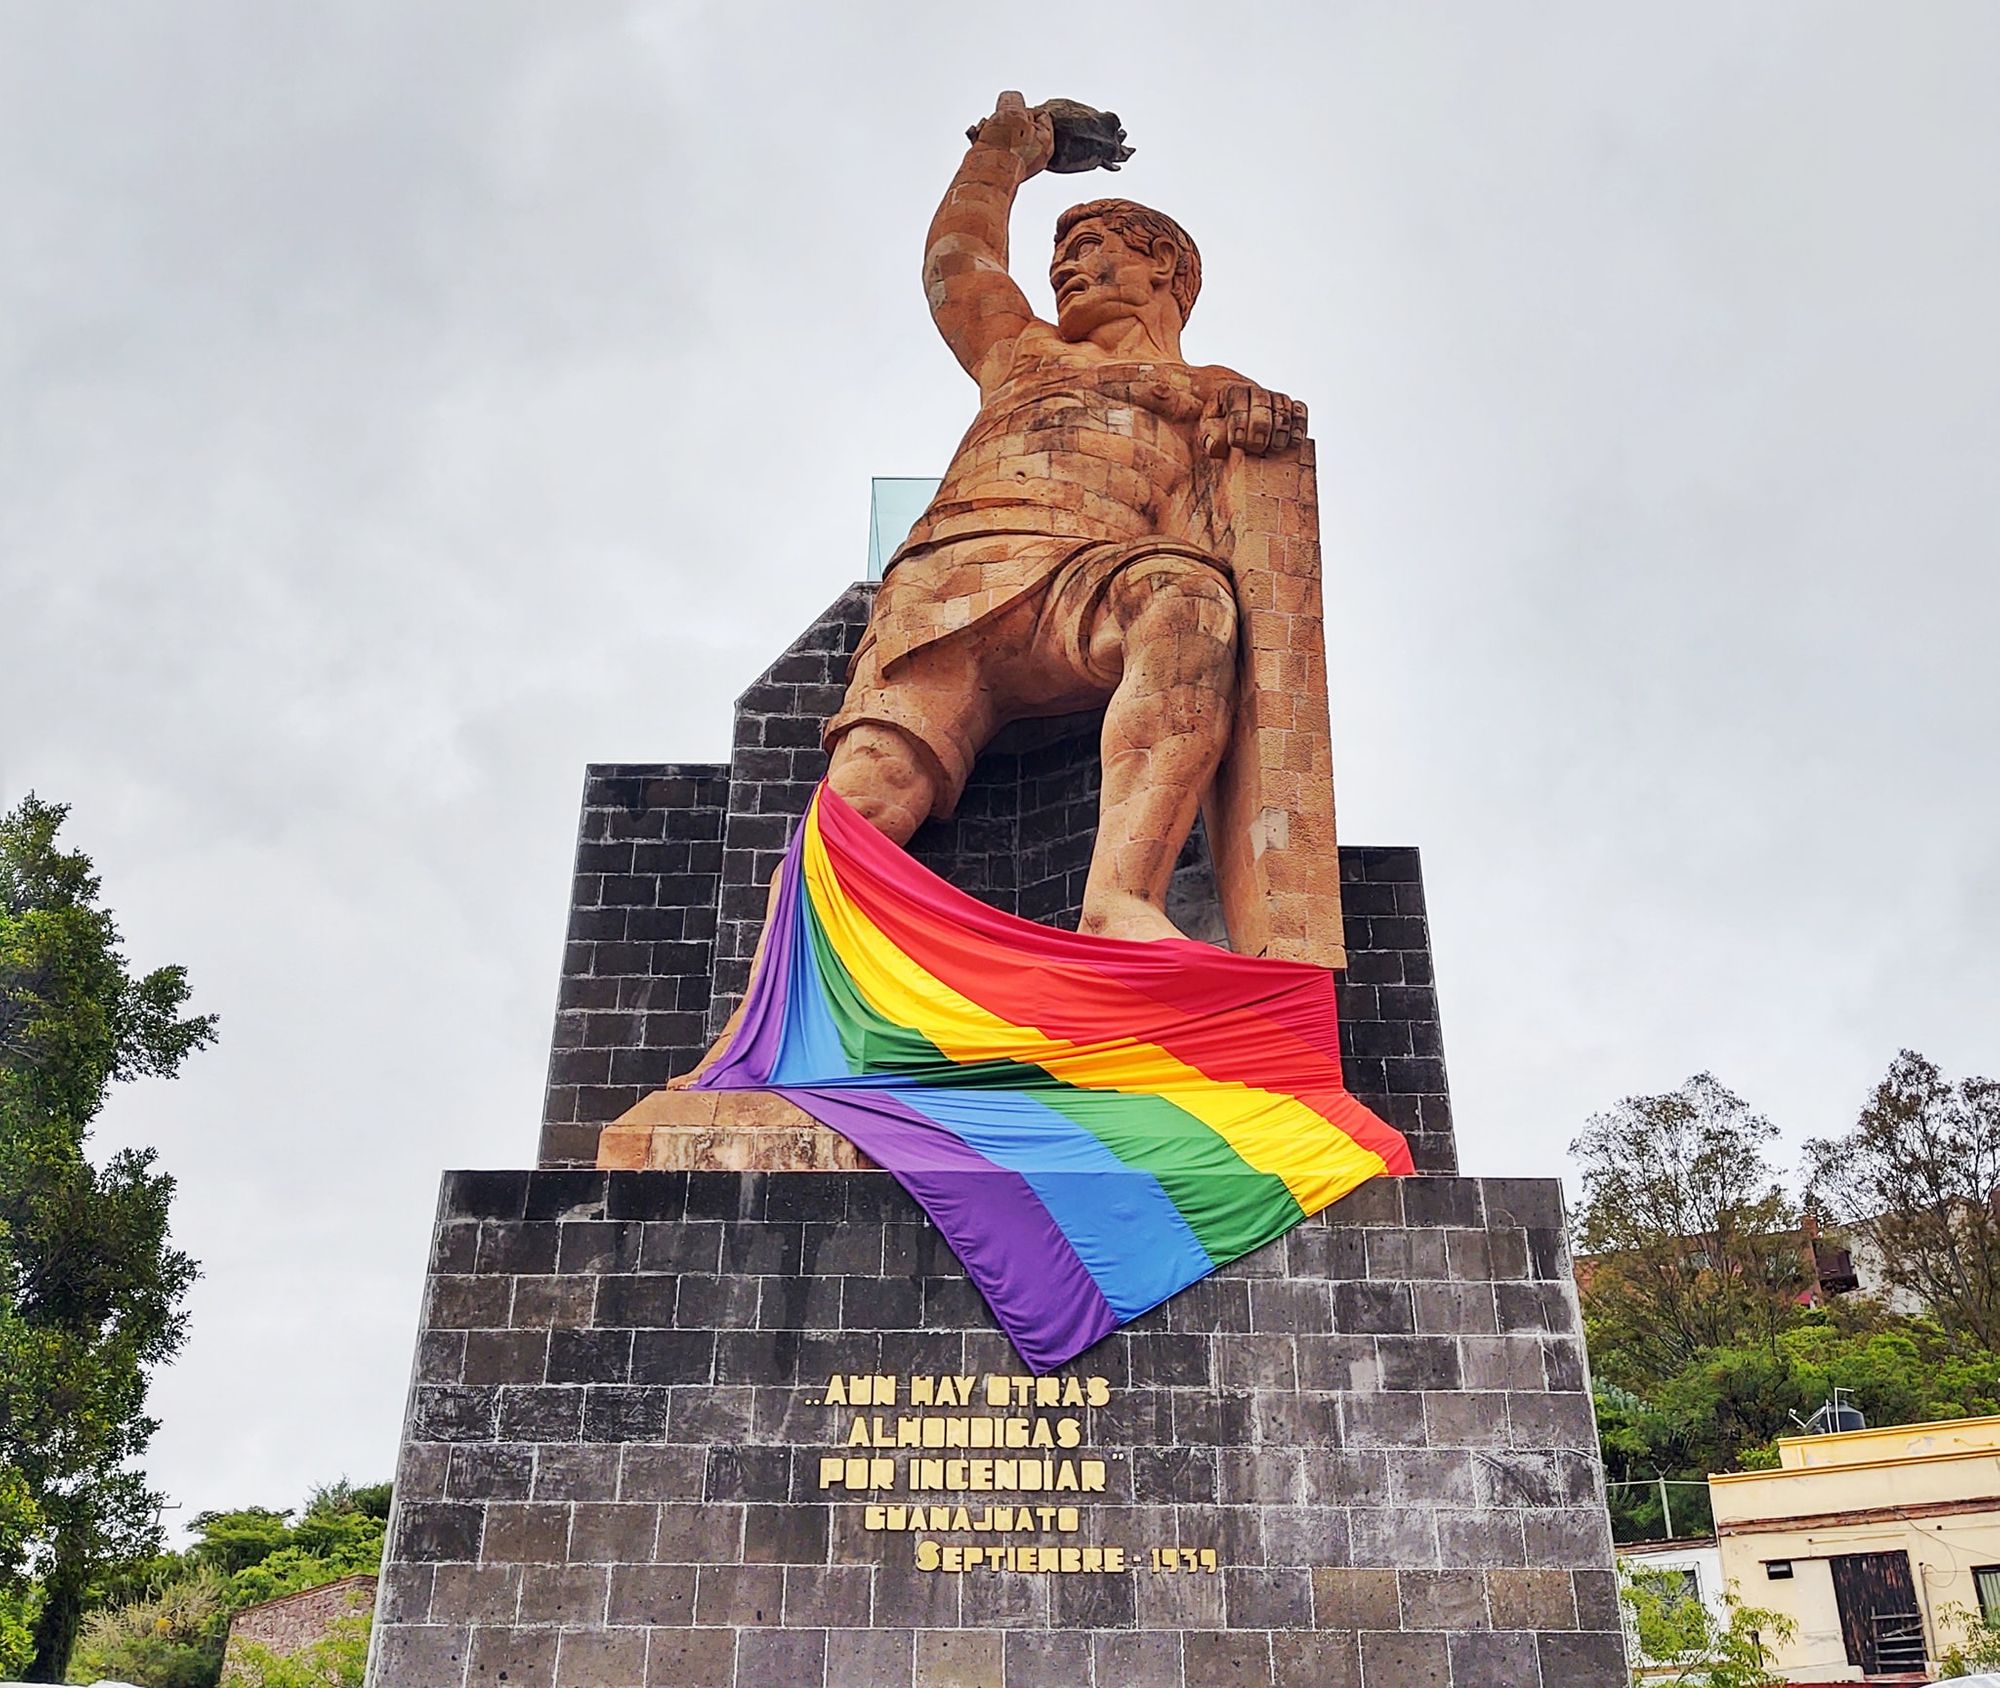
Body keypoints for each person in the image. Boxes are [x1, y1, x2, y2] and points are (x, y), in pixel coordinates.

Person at [823, 90, 1306, 942]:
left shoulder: (1207, 387)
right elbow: (959, 257)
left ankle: (1122, 902)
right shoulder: (1023, 351)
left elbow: (1250, 470)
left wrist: (1257, 415)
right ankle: (777, 991)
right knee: (869, 794)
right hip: (950, 578)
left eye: (1088, 250)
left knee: (1188, 601)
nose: (1062, 272)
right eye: (1059, 258)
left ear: (1162, 264)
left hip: (1090, 581)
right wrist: (1010, 150)